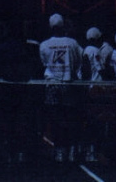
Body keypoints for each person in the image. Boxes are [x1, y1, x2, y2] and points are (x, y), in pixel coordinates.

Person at [39, 13, 84, 163]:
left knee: (55, 118)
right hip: (68, 83)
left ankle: (59, 150)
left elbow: (44, 63)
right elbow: (78, 62)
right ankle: (70, 150)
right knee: (69, 118)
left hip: (52, 84)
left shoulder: (44, 45)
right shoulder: (72, 43)